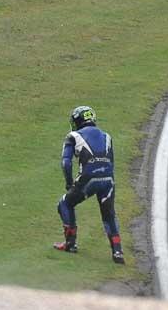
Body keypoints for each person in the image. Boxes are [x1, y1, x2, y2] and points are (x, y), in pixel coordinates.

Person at [53, 105, 125, 264]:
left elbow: (66, 163)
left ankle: (70, 243)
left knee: (65, 203)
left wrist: (69, 182)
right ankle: (118, 251)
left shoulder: (73, 136)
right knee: (109, 214)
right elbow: (111, 161)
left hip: (88, 177)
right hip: (108, 179)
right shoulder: (107, 136)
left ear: (77, 121)